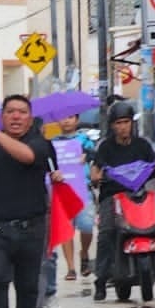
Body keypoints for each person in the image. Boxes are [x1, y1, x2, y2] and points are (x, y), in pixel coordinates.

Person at [0, 95, 62, 308]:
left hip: (32, 227)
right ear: (2, 116)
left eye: (21, 112)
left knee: (27, 287)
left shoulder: (40, 143)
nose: (16, 117)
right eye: (10, 112)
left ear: (30, 117)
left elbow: (26, 157)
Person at [89, 101, 155, 302]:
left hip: (139, 195)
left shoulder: (142, 145)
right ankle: (101, 279)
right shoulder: (105, 147)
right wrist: (96, 176)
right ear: (112, 125)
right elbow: (96, 168)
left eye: (126, 122)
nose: (123, 127)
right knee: (106, 233)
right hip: (113, 197)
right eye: (118, 123)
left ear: (132, 123)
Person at [51, 113, 97, 280]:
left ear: (77, 120)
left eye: (70, 117)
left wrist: (88, 156)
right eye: (63, 117)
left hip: (82, 189)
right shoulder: (53, 143)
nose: (66, 120)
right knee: (66, 230)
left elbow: (95, 154)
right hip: (62, 191)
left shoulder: (84, 140)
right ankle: (71, 268)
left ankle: (84, 253)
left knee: (87, 226)